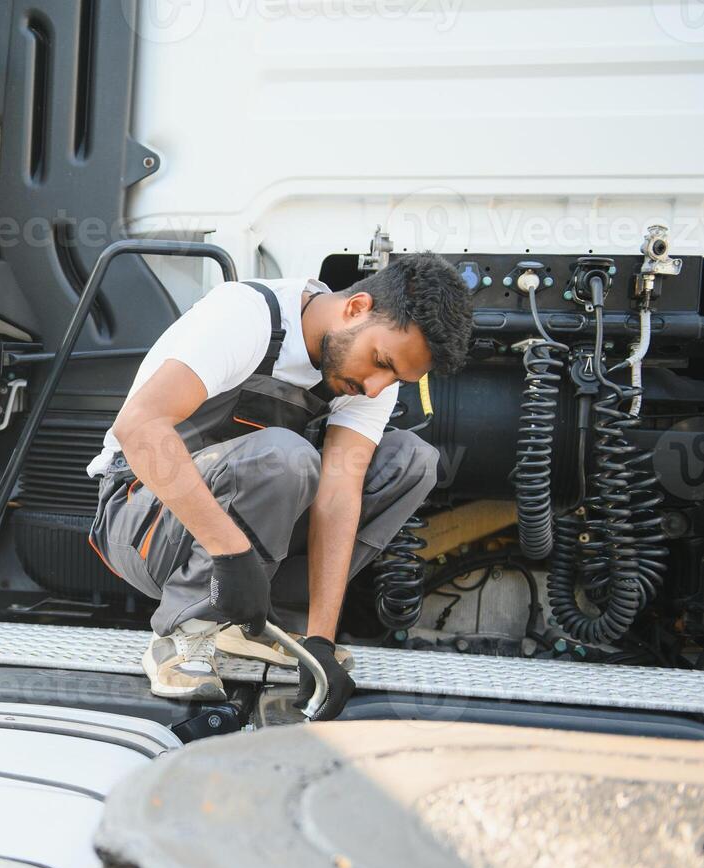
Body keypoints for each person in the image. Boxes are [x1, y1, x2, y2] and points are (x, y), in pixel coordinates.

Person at [86, 252, 472, 717]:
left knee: (410, 459)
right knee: (286, 457)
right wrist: (230, 554)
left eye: (394, 377)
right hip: (141, 518)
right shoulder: (246, 316)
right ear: (356, 307)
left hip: (235, 549)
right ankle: (185, 635)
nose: (376, 388)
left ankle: (273, 630)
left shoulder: (366, 379)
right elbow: (140, 429)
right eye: (380, 362)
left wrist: (320, 640)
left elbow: (337, 497)